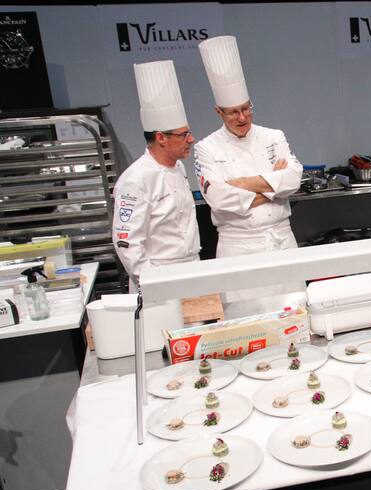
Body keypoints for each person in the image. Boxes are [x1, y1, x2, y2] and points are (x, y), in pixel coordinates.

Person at [194, 35, 304, 309]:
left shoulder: (273, 136)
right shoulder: (206, 148)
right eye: (233, 113)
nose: (242, 118)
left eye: (246, 109)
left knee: (295, 317)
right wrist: (272, 189)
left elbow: (293, 179)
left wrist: (243, 183)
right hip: (239, 247)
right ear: (218, 112)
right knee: (247, 323)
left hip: (282, 241)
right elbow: (219, 198)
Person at [113, 60, 200, 292]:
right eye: (184, 135)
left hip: (191, 268)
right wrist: (152, 282)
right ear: (161, 137)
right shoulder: (135, 180)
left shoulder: (179, 168)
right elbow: (127, 241)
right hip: (158, 276)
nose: (191, 139)